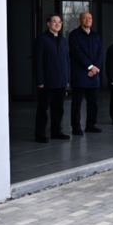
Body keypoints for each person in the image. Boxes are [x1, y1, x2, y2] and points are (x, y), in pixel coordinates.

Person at [34, 15, 71, 143]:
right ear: (48, 24)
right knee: (43, 109)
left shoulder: (62, 40)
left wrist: (67, 78)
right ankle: (40, 134)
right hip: (47, 81)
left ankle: (56, 132)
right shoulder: (42, 39)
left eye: (59, 22)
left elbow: (67, 60)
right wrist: (40, 80)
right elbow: (38, 61)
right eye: (54, 22)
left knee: (58, 109)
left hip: (61, 81)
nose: (57, 24)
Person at [69, 12, 103, 135]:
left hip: (94, 74)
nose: (88, 20)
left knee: (93, 102)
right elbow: (76, 53)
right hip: (80, 73)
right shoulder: (74, 35)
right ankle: (76, 127)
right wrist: (90, 66)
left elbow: (100, 52)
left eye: (90, 18)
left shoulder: (96, 35)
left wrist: (95, 68)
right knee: (77, 103)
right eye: (85, 18)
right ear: (80, 20)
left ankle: (91, 125)